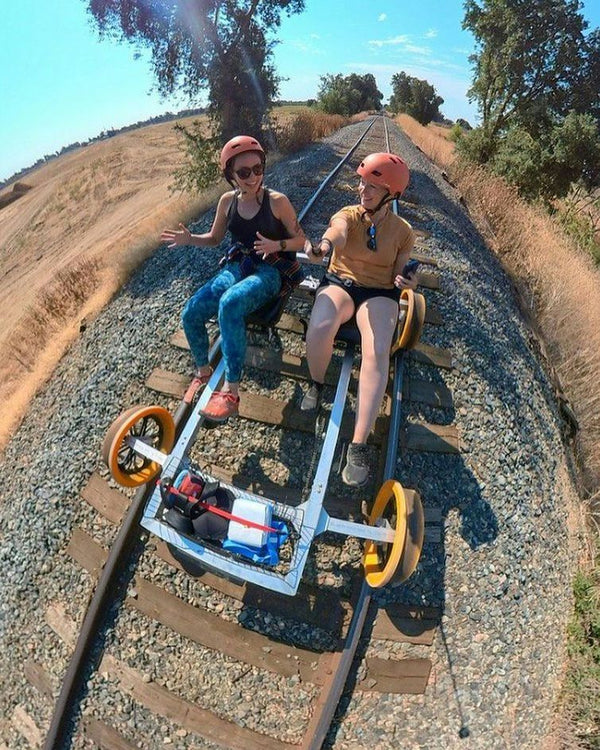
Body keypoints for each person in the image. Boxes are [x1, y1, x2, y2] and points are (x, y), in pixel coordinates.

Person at [161, 135, 306, 422]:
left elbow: (301, 241)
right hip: (240, 265)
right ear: (231, 175)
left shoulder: (277, 202)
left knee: (229, 304)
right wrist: (190, 239)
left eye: (258, 168)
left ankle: (231, 391)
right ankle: (203, 372)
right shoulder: (227, 202)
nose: (253, 176)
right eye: (244, 172)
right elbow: (215, 239)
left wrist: (277, 246)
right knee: (191, 311)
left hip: (270, 269)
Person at [302, 152, 418, 487]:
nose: (362, 190)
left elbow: (399, 274)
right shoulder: (349, 215)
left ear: (391, 194)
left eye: (371, 185)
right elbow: (336, 232)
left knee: (378, 350)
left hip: (378, 294)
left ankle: (358, 442)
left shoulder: (402, 231)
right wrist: (323, 247)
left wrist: (407, 281)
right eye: (362, 182)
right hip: (341, 281)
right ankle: (316, 384)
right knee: (321, 326)